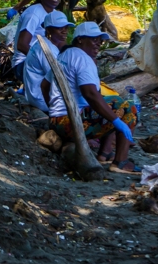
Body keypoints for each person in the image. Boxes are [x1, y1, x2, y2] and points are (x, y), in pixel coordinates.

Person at [44, 22, 138, 173]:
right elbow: (90, 94)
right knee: (126, 107)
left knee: (109, 105)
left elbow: (44, 85)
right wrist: (117, 121)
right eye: (94, 39)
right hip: (71, 123)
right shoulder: (82, 58)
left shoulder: (64, 55)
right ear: (80, 39)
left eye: (100, 41)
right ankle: (120, 162)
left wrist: (53, 109)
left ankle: (104, 153)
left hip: (56, 121)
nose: (98, 44)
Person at [12, 0, 63, 82]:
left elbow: (61, 42)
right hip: (24, 64)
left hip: (47, 60)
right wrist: (45, 60)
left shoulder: (55, 14)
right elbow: (22, 45)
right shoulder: (34, 13)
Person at [23, 10, 72, 112]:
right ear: (49, 30)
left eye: (66, 27)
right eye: (60, 28)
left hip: (36, 94)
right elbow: (57, 78)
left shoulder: (48, 44)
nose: (65, 31)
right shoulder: (46, 49)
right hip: (41, 98)